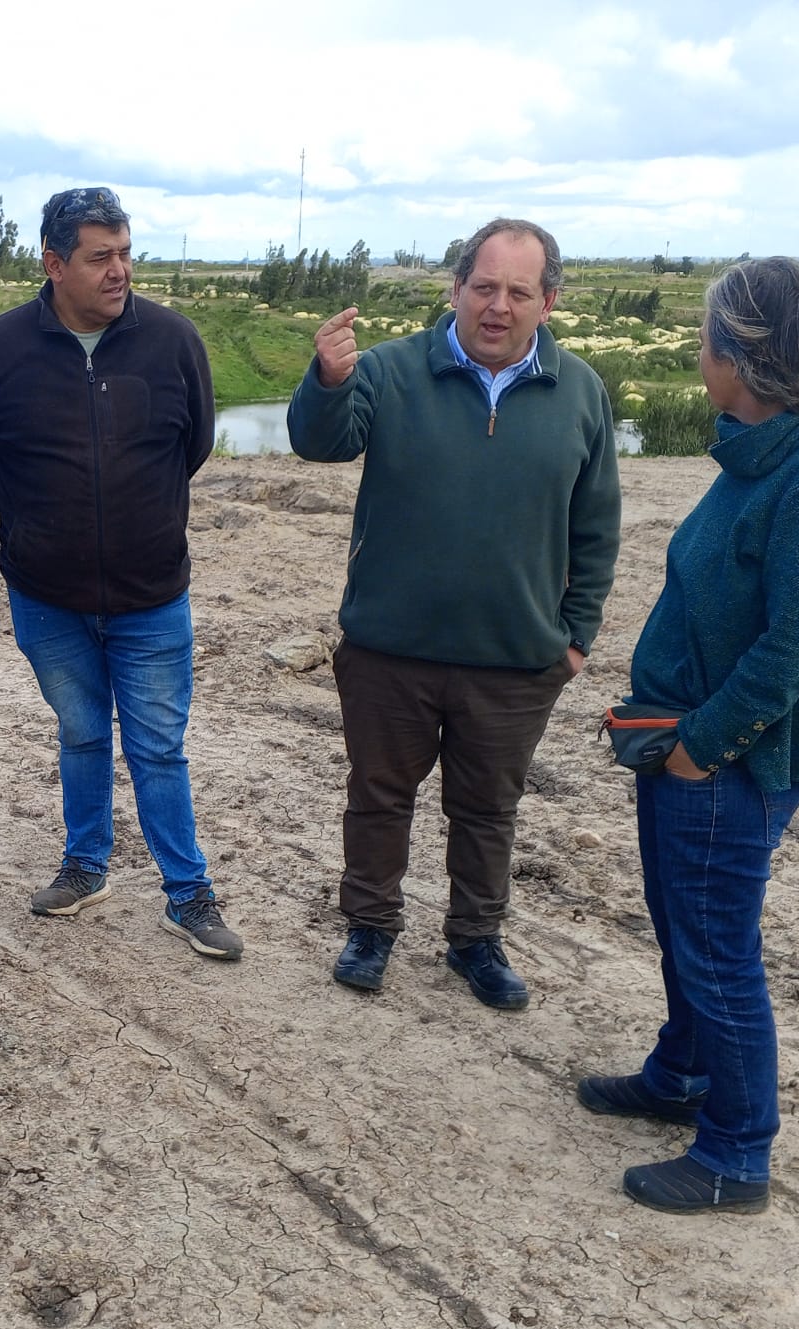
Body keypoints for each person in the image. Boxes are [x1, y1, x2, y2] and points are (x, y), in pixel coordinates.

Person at [576, 258, 799, 1215]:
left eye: (709, 337)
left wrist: (701, 745)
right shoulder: (763, 447)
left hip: (726, 758)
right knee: (685, 930)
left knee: (717, 949)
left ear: (739, 355)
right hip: (687, 740)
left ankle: (737, 1156)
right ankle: (681, 1076)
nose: (699, 352)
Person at [288, 217, 620, 1006]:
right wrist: (327, 381)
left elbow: (597, 524)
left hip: (514, 662)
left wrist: (574, 639)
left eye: (518, 291)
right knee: (377, 796)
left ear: (549, 302)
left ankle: (476, 941)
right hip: (388, 652)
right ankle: (369, 927)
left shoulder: (580, 392)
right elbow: (320, 444)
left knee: (487, 812)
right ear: (455, 289)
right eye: (483, 287)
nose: (497, 306)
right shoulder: (394, 370)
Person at [0, 186, 241, 960]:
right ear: (53, 263)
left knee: (157, 746)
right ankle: (85, 865)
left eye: (126, 253)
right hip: (46, 597)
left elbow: (194, 445)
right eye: (100, 257)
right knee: (80, 732)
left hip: (152, 596)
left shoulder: (173, 341)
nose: (120, 272)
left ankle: (188, 893)